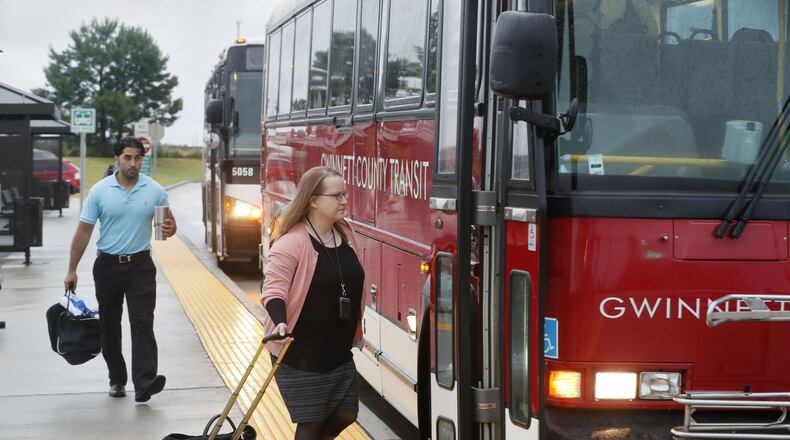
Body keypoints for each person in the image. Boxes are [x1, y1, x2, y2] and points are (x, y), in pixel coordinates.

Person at [63, 136, 176, 403]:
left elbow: (168, 226)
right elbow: (84, 231)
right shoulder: (100, 191)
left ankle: (145, 382)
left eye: (138, 158)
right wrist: (72, 269)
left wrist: (171, 230)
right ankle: (117, 378)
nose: (133, 163)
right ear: (117, 158)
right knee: (110, 327)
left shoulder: (155, 190)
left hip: (141, 266)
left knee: (142, 323)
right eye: (127, 157)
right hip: (107, 266)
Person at [261, 166, 365, 440]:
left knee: (347, 413)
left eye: (345, 193)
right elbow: (273, 290)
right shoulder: (291, 243)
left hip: (337, 349)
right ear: (314, 200)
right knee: (311, 423)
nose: (344, 200)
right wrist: (280, 321)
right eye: (337, 195)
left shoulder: (345, 233)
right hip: (301, 352)